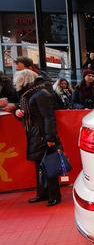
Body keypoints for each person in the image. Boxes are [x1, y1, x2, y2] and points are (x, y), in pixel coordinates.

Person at [14, 72, 62, 207]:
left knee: (48, 165)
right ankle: (44, 193)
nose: (16, 83)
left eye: (18, 80)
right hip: (36, 134)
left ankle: (54, 195)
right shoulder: (30, 94)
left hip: (42, 134)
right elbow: (27, 112)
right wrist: (17, 113)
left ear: (25, 80)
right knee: (40, 166)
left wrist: (50, 137)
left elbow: (49, 117)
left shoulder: (40, 94)